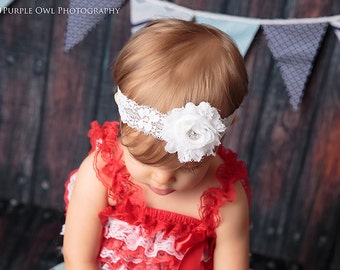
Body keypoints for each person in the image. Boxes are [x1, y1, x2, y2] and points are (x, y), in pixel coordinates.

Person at [62, 18, 251, 270]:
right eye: (144, 159)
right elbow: (79, 258)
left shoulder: (224, 199)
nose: (162, 179)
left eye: (187, 168)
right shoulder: (103, 174)